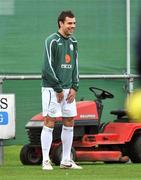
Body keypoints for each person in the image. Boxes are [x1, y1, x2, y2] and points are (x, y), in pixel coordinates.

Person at [41, 10, 82, 170]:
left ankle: (66, 160)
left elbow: (76, 66)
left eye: (74, 23)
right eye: (69, 23)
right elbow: (47, 67)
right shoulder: (51, 40)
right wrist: (58, 88)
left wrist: (75, 86)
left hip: (68, 90)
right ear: (61, 23)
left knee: (69, 121)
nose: (73, 26)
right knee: (50, 121)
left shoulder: (74, 42)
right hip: (52, 89)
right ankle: (45, 160)